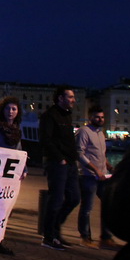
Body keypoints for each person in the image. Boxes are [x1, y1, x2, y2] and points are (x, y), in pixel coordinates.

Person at [40, 85, 80, 251]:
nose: (73, 100)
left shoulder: (67, 116)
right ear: (60, 98)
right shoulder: (50, 116)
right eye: (70, 97)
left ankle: (55, 230)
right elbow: (46, 140)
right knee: (55, 200)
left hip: (70, 164)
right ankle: (49, 237)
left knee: (74, 198)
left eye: (73, 97)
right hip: (58, 164)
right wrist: (60, 158)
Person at [0, 96, 26, 255]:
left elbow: (19, 151)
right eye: (8, 109)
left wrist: (24, 168)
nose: (11, 112)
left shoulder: (16, 129)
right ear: (2, 111)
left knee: (6, 208)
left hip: (10, 175)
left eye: (14, 109)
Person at [76, 105, 121, 250]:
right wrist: (95, 169)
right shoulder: (84, 132)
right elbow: (79, 153)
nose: (100, 119)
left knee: (108, 205)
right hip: (88, 176)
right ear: (90, 117)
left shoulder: (100, 133)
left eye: (102, 117)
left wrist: (109, 166)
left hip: (102, 176)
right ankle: (85, 237)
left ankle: (106, 238)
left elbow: (101, 155)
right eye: (97, 117)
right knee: (87, 207)